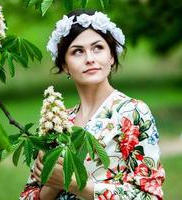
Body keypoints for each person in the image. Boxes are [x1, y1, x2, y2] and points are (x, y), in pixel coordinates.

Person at [20, 9, 165, 200]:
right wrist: (50, 188)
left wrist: (70, 183)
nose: (90, 58)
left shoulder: (132, 112)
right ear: (64, 65)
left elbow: (149, 195)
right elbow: (28, 195)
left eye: (98, 48)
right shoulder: (56, 122)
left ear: (112, 56)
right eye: (78, 51)